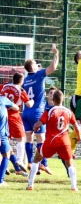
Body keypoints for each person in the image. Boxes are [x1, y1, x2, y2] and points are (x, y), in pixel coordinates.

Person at [26, 90, 81, 191]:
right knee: (70, 163)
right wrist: (79, 137)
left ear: (52, 99)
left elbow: (38, 124)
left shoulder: (49, 111)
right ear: (63, 99)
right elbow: (77, 128)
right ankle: (74, 187)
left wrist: (35, 128)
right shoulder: (69, 112)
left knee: (36, 159)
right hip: (64, 142)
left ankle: (30, 185)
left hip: (51, 141)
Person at [22, 44, 59, 175]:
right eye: (36, 64)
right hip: (37, 112)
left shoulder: (25, 80)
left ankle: (30, 162)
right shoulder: (39, 75)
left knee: (28, 138)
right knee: (41, 140)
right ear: (33, 67)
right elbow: (53, 67)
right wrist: (56, 53)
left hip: (25, 113)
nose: (38, 65)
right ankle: (43, 164)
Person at [0, 72, 34, 177]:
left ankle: (6, 166)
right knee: (21, 138)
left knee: (5, 142)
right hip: (14, 116)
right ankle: (19, 160)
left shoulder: (4, 86)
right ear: (21, 81)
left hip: (3, 115)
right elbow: (28, 104)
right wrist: (32, 101)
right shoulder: (21, 90)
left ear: (12, 79)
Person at [0, 95, 19, 186]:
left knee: (8, 151)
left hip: (3, 134)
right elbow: (16, 107)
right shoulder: (3, 99)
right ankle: (1, 180)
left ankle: (18, 168)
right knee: (6, 155)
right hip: (1, 133)